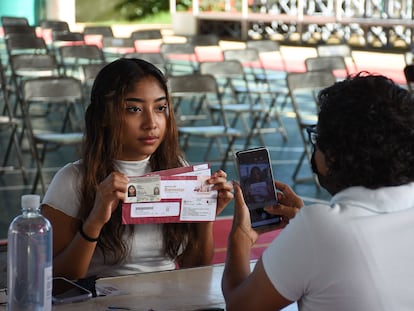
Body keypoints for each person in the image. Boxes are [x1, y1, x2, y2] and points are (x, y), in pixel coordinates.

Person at [222, 73, 414, 310]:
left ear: (332, 154)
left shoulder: (319, 228)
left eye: (317, 137)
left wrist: (241, 236)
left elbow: (240, 306)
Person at [41, 58, 233, 280]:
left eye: (160, 108)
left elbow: (194, 267)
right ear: (104, 115)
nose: (151, 122)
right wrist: (95, 220)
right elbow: (57, 283)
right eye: (134, 109)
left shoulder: (178, 171)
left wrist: (204, 217)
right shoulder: (72, 180)